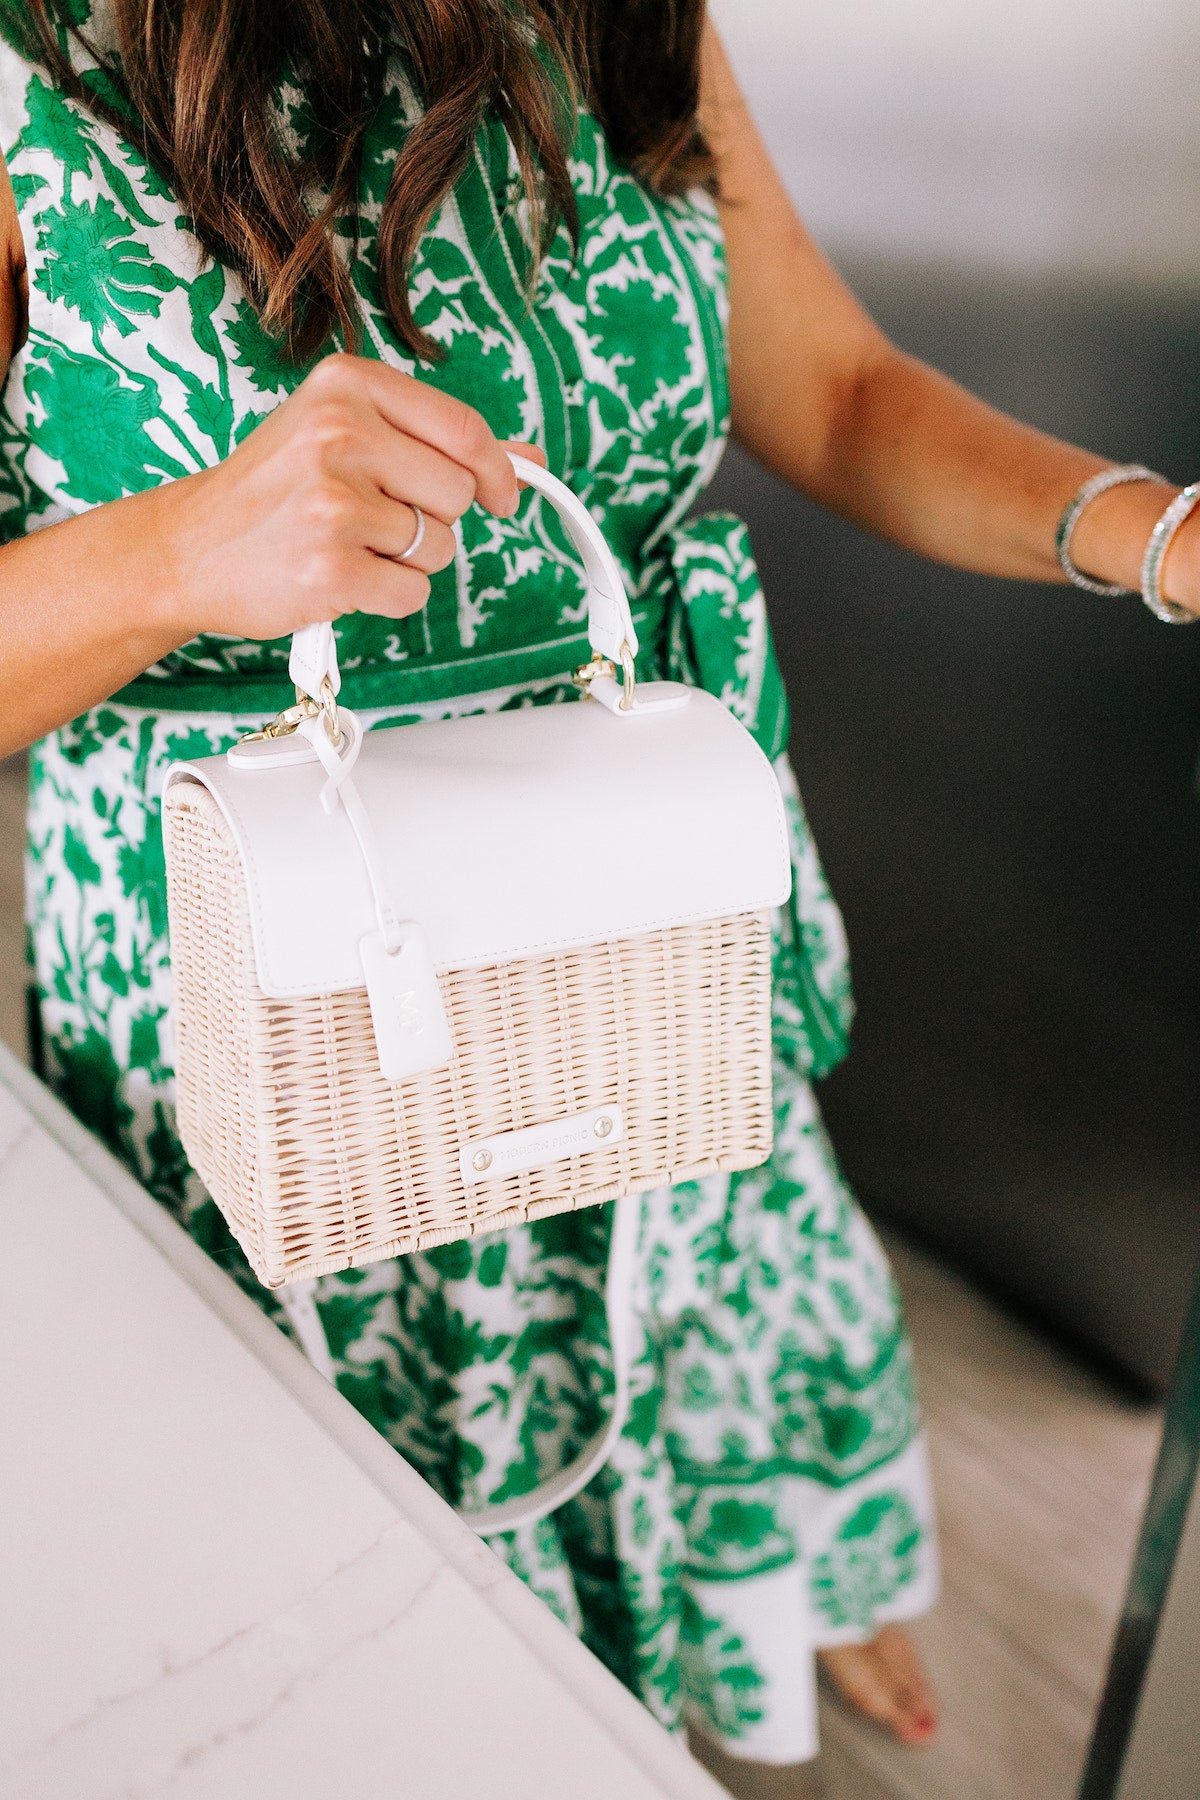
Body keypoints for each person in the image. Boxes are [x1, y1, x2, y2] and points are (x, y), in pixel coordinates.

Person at [0, 0, 1194, 1770]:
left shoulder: (626, 11)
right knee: (351, 1659)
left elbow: (842, 393)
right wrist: (180, 549)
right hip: (295, 1026)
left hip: (645, 937)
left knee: (690, 1371)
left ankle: (730, 1638)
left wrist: (1161, 535)